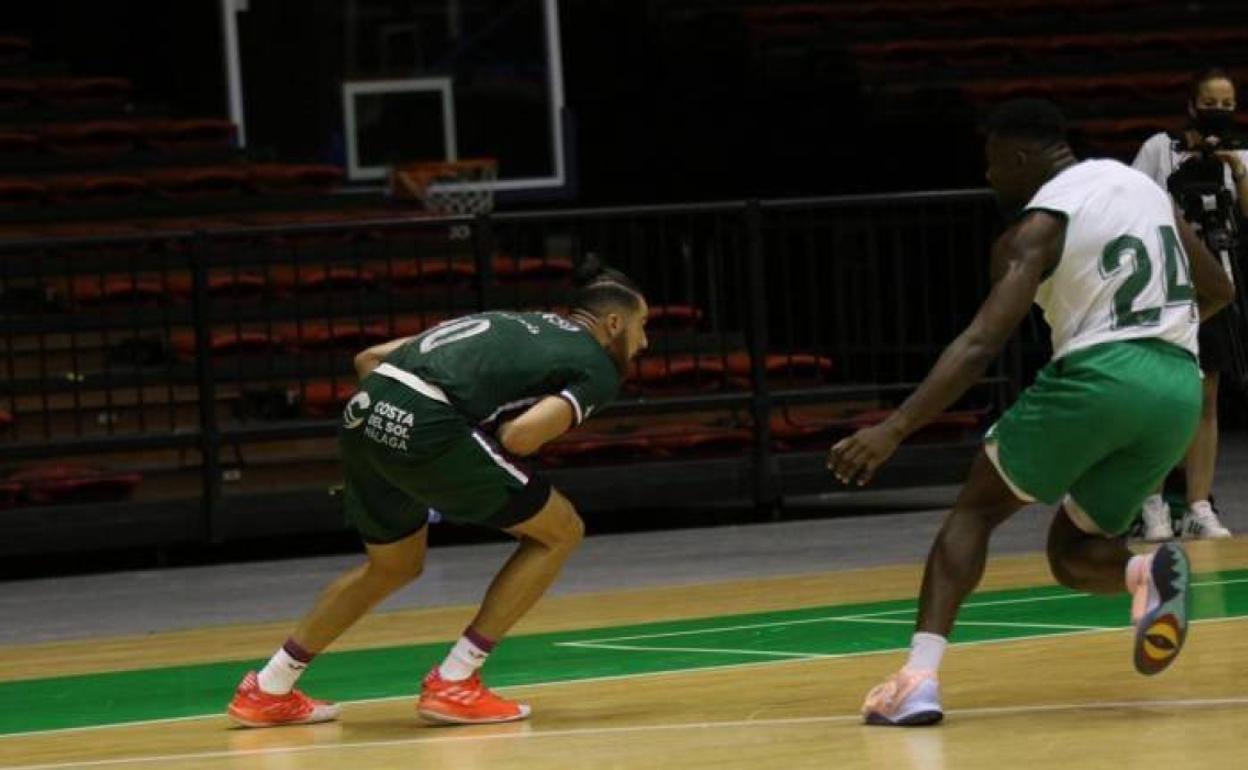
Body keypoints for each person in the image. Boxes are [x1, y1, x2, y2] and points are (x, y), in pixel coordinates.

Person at [827, 98, 1234, 726]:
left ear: (1021, 157)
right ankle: (1145, 569)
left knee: (977, 510)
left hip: (1101, 376)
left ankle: (918, 680)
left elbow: (979, 344)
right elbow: (1220, 289)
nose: (989, 177)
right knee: (1072, 550)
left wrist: (894, 427)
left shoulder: (1037, 226)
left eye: (993, 163)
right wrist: (1158, 336)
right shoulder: (1140, 186)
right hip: (1177, 387)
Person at [226, 259, 649, 727]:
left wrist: (401, 444)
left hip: (366, 412)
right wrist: (428, 449)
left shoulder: (511, 320)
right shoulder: (596, 365)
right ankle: (456, 680)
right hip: (427, 422)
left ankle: (269, 688)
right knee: (561, 530)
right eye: (641, 327)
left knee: (394, 565)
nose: (644, 342)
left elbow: (369, 359)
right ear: (613, 324)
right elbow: (519, 437)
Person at [1130, 67, 1245, 541]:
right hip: (1166, 289)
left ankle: (1198, 505)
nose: (1218, 111)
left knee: (1205, 400)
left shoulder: (1239, 157)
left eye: (1227, 103)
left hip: (1215, 288)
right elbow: (1134, 203)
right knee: (1161, 399)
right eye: (1210, 102)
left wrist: (1234, 168)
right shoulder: (1161, 149)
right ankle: (1154, 503)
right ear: (1191, 104)